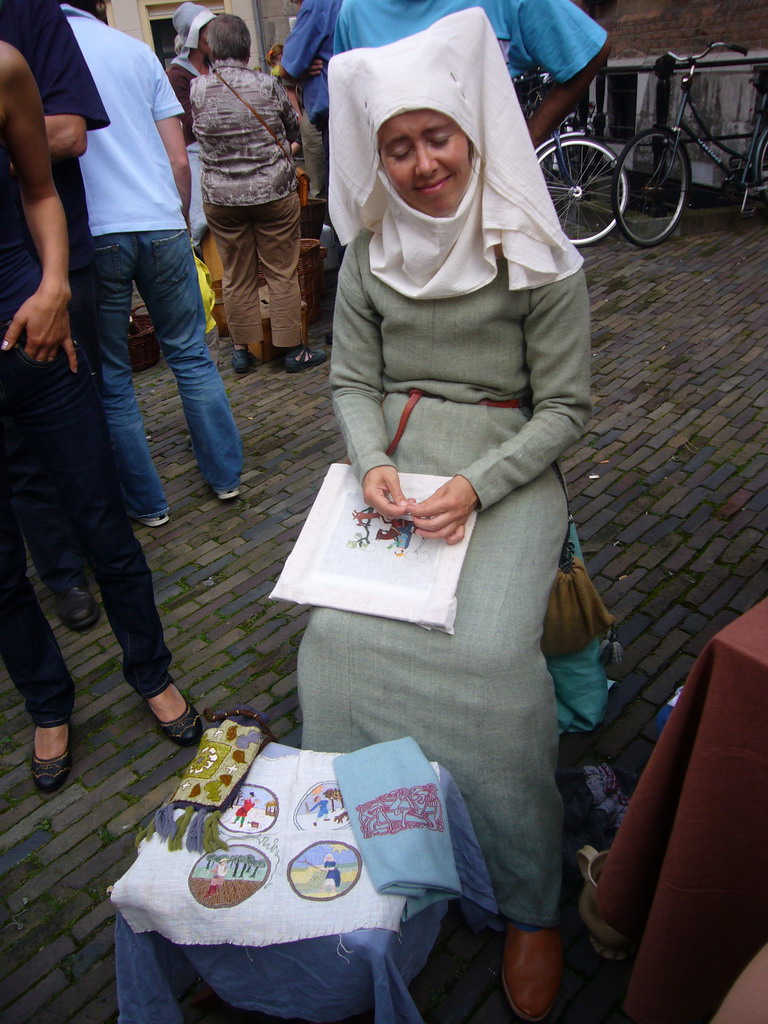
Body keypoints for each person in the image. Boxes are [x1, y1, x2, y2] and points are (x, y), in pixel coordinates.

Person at [297, 10, 591, 1021]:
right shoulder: (374, 250)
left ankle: (529, 902)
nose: (422, 165)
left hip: (505, 474)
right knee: (333, 647)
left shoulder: (532, 244)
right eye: (397, 146)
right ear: (375, 154)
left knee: (492, 665)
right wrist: (373, 459)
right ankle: (388, 857)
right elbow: (350, 379)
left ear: (474, 128)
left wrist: (476, 484)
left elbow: (566, 411)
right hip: (401, 471)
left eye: (439, 138)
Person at [0, 42, 202, 795]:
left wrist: (54, 284)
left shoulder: (6, 66)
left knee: (103, 523)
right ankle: (48, 703)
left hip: (35, 335)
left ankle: (150, 671)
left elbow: (39, 186)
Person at [61, 1, 243, 524]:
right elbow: (179, 157)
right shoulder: (136, 51)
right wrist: (178, 220)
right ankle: (227, 477)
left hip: (97, 231)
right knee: (190, 355)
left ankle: (148, 504)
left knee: (114, 377)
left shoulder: (39, 53)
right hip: (160, 220)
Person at [1, 0, 110, 630]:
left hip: (54, 270)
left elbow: (69, 131)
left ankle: (107, 556)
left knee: (83, 425)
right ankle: (64, 573)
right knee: (20, 456)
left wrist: (53, 286)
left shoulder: (29, 15)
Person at [190, 14, 326, 374]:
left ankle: (240, 350)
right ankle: (293, 350)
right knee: (281, 269)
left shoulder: (198, 88)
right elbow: (291, 125)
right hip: (271, 191)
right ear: (247, 47)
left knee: (236, 273)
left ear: (211, 48)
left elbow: (198, 132)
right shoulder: (267, 85)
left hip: (221, 197)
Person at [333, 0, 611, 147]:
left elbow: (588, 51)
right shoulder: (354, 12)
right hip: (396, 203)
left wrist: (529, 139)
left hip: (487, 197)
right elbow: (351, 118)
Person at [168, 2, 217, 248]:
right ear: (194, 35)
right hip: (197, 154)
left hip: (223, 150)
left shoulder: (217, 65)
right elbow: (191, 121)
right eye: (207, 30)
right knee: (203, 221)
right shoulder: (177, 74)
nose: (213, 36)